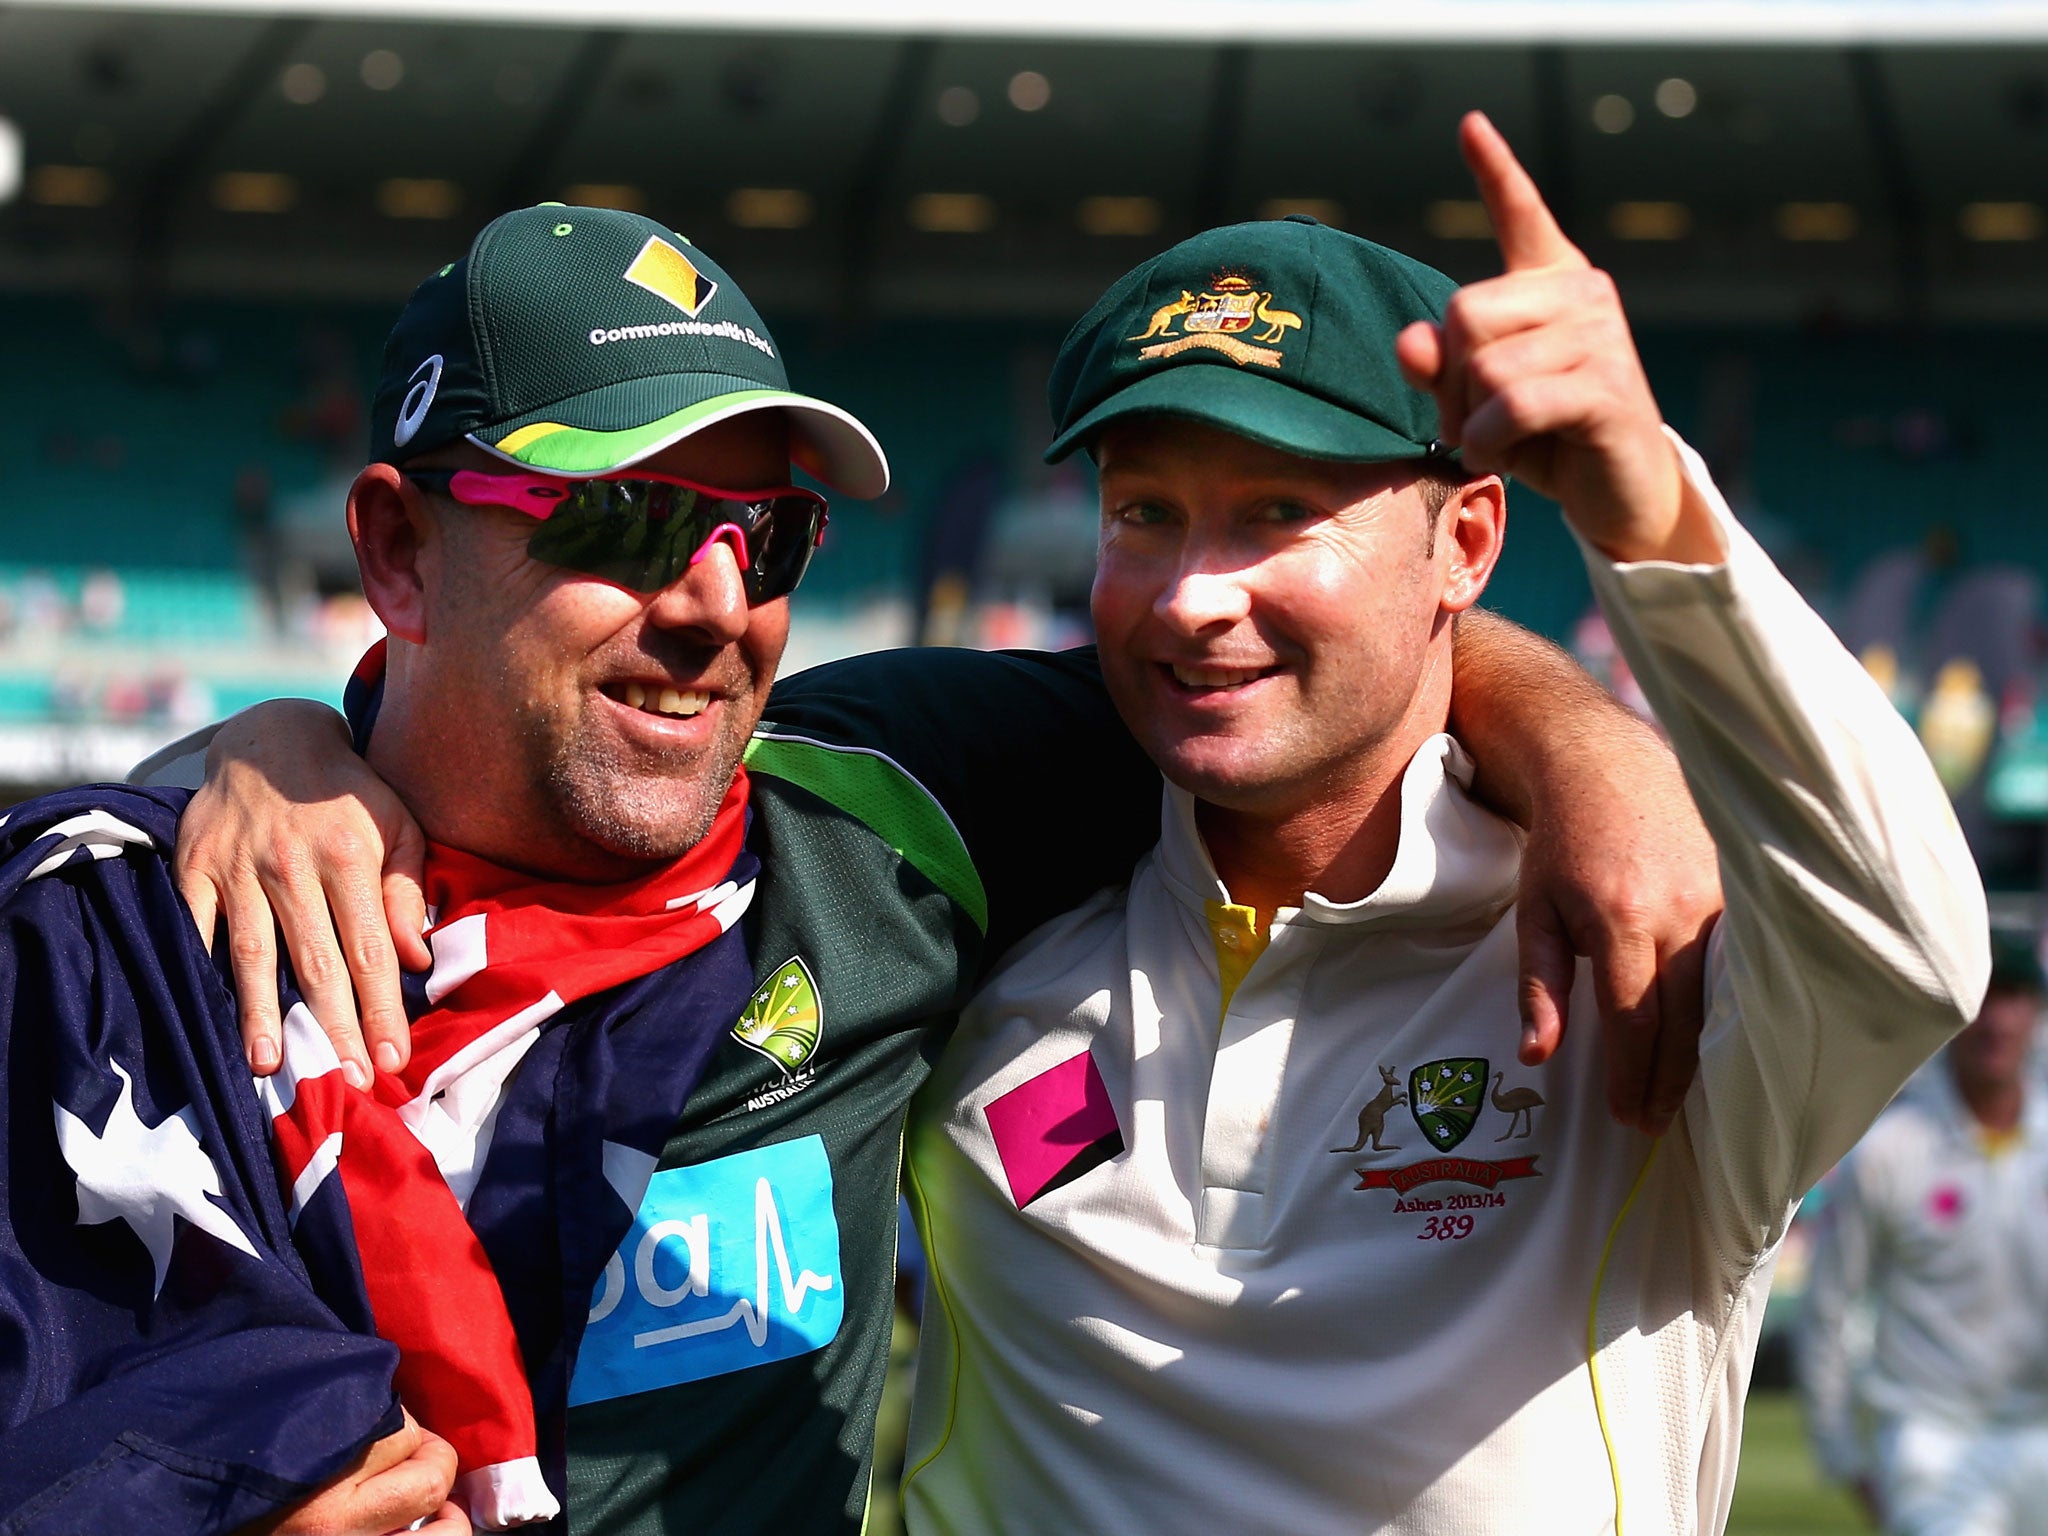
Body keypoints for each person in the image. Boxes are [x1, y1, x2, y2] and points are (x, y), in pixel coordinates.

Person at [126, 186, 1722, 1532]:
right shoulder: (143, 946)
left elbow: (1327, 673)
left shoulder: (885, 807)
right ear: (399, 550)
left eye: (771, 539)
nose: (706, 602)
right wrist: (264, 749)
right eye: (616, 523)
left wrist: (1588, 742)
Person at [895, 114, 1988, 1534]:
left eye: (1279, 512)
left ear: (1466, 542)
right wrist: (1566, 721)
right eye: (1144, 513)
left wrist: (1643, 505)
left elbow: (1909, 948)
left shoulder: (1628, 956)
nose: (1189, 595)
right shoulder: (978, 917)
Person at [1798, 934, 2048, 1536]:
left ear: (2036, 1014)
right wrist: (1843, 1454)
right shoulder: (1890, 1151)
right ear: (1951, 1014)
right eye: (1982, 999)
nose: (1997, 1020)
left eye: (2013, 997)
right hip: (1930, 1437)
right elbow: (1829, 1304)